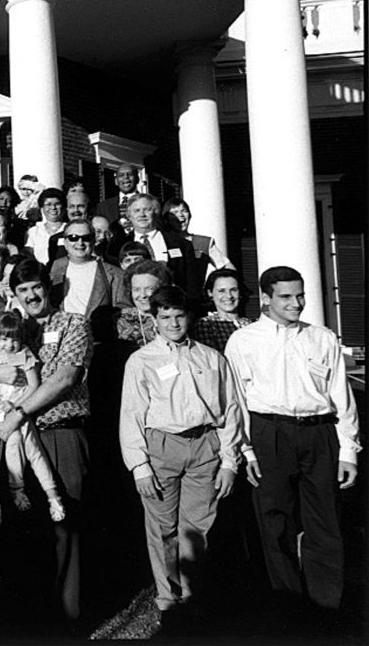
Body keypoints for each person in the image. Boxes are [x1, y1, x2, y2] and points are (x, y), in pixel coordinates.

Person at [224, 266, 360, 613]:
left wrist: (348, 451)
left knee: (324, 518)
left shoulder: (323, 337)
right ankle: (288, 604)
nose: (296, 303)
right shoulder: (244, 340)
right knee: (274, 519)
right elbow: (236, 399)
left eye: (300, 295)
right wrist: (247, 450)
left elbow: (341, 396)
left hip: (319, 433)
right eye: (286, 297)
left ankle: (326, 603)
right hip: (269, 433)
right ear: (266, 299)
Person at [119, 285, 244, 623]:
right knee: (162, 527)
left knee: (198, 525)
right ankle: (167, 597)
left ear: (188, 316)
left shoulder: (211, 358)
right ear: (155, 319)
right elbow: (131, 414)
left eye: (179, 315)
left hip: (205, 445)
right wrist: (139, 466)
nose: (173, 323)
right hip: (162, 447)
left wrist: (230, 461)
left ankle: (192, 593)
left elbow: (231, 409)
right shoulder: (141, 361)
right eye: (165, 317)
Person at [0, 259, 93, 625]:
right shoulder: (12, 333)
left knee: (64, 522)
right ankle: (31, 613)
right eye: (23, 290)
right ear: (14, 295)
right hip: (19, 440)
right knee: (24, 523)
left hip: (61, 431)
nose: (31, 295)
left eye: (36, 287)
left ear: (46, 288)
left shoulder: (73, 324)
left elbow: (64, 378)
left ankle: (67, 616)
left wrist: (18, 413)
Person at [108, 193, 198, 303]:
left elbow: (192, 283)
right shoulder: (117, 245)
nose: (142, 215)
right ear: (129, 215)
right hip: (133, 307)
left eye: (147, 210)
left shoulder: (181, 244)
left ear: (156, 212)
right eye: (136, 211)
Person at [48, 220, 126, 325]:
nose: (80, 243)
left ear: (93, 241)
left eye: (86, 238)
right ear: (65, 242)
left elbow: (124, 311)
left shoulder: (113, 274)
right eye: (73, 238)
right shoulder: (54, 269)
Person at [190, 268, 252, 353]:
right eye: (221, 291)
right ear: (210, 293)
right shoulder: (206, 325)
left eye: (233, 290)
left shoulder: (251, 324)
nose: (229, 296)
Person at [116, 260, 173, 347]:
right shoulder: (119, 320)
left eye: (149, 289)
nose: (142, 295)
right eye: (136, 289)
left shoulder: (178, 318)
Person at [25, 188, 67, 265]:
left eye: (57, 204)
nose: (53, 208)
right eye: (48, 204)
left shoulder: (69, 229)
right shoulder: (33, 231)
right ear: (42, 208)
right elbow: (29, 254)